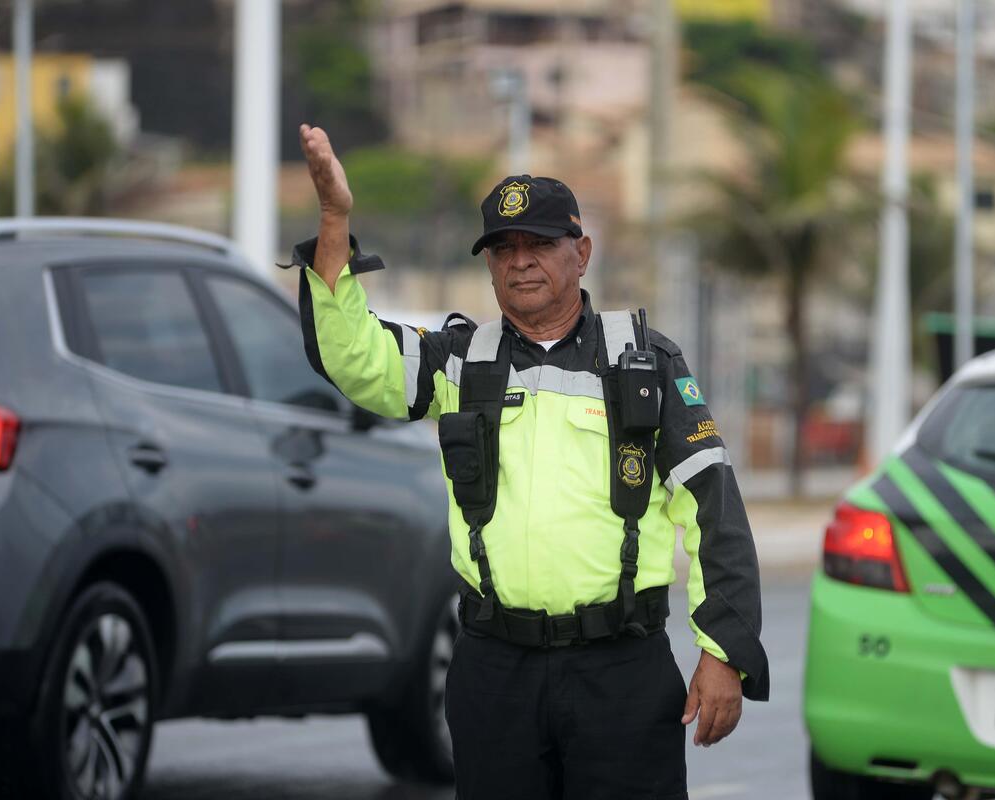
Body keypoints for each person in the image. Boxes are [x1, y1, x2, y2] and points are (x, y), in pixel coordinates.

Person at [289, 123, 768, 800]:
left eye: (540, 244)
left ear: (582, 253)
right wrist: (335, 218)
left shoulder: (645, 362)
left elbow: (714, 508)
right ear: (489, 265)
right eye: (503, 248)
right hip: (495, 673)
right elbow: (354, 356)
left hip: (622, 673)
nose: (520, 262)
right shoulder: (458, 360)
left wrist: (723, 653)